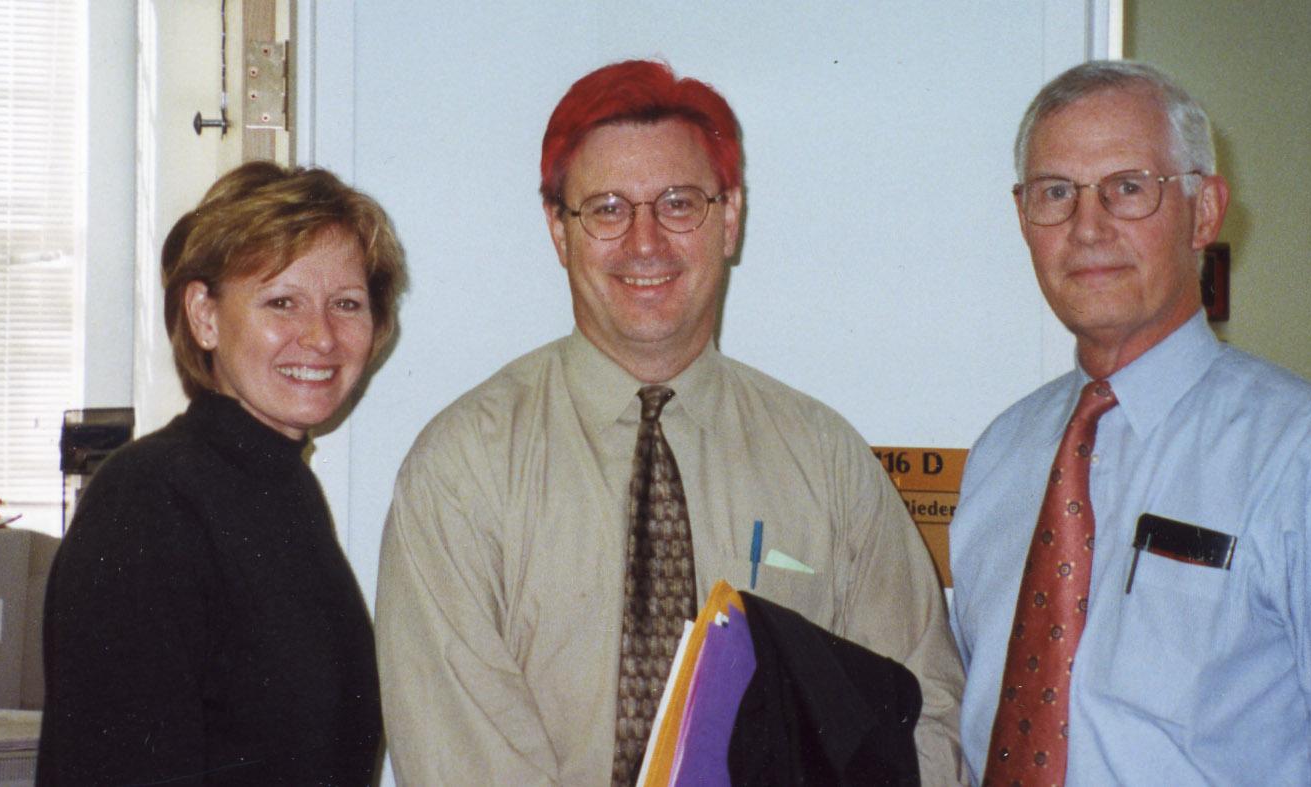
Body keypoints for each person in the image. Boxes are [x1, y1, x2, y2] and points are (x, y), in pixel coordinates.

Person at [376, 59, 966, 785]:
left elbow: (923, 712)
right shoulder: (461, 467)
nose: (645, 242)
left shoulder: (826, 460)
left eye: (679, 203)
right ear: (559, 232)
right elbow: (457, 757)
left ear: (731, 219)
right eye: (607, 209)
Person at [949, 59, 1311, 785]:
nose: (1086, 227)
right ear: (1022, 219)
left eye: (1128, 189)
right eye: (1054, 193)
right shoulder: (998, 457)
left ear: (1204, 211)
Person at [38, 161, 406, 785]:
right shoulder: (149, 501)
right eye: (282, 302)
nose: (320, 337)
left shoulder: (281, 490)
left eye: (346, 303)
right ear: (205, 315)